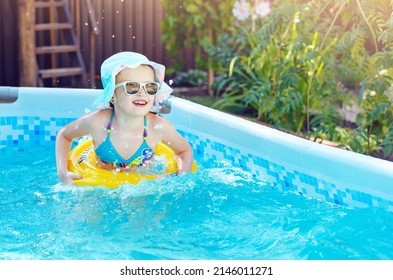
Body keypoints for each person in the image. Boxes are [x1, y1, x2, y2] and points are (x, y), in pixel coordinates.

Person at [56, 51, 194, 185]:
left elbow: (184, 151)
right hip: (101, 182)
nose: (142, 93)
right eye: (132, 86)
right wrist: (63, 173)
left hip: (142, 181)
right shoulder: (97, 122)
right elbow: (64, 135)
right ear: (112, 95)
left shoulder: (158, 127)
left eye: (150, 86)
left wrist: (178, 179)